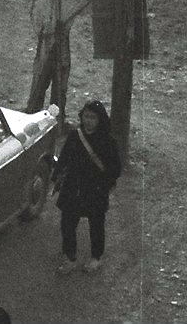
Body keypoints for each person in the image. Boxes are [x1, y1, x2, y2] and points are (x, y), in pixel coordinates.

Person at [54, 99, 122, 275]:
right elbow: (64, 158)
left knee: (96, 225)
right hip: (73, 188)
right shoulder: (75, 136)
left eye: (92, 117)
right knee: (67, 223)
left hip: (95, 191)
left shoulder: (108, 142)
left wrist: (105, 186)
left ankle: (96, 258)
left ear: (99, 119)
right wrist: (57, 175)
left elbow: (115, 168)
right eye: (86, 116)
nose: (88, 121)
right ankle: (70, 257)